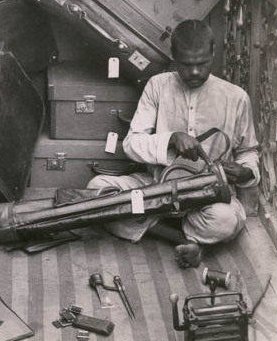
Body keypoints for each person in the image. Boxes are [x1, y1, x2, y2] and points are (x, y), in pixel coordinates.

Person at [87, 19, 260, 268]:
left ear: (213, 53)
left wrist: (245, 171)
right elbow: (132, 144)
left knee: (226, 220)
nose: (195, 72)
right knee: (97, 190)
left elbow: (248, 150)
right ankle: (185, 240)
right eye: (186, 65)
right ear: (173, 57)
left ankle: (156, 226)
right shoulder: (158, 86)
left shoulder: (236, 98)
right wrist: (170, 138)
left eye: (202, 63)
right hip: (156, 188)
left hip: (207, 197)